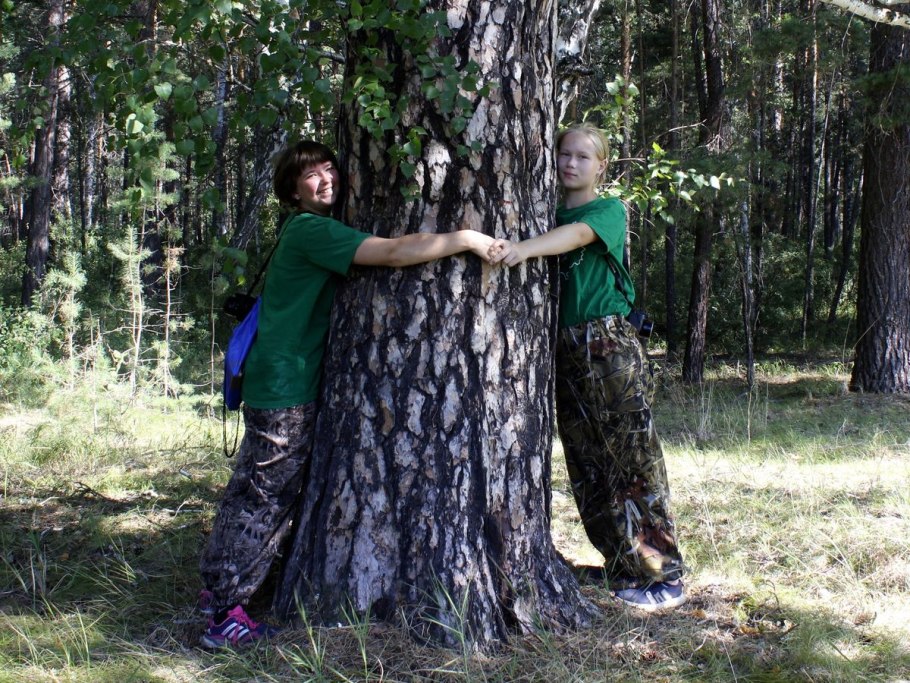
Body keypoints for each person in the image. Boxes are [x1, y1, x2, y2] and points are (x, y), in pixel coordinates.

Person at [198, 140, 495, 648]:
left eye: (329, 168)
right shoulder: (312, 229)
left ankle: (218, 595)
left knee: (257, 490)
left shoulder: (304, 228)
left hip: (280, 378)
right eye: (310, 175)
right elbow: (395, 252)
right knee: (265, 496)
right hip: (285, 385)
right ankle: (224, 613)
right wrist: (465, 238)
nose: (325, 179)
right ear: (293, 190)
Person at [489, 123, 686, 611]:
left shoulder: (608, 210)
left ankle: (662, 574)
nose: (571, 163)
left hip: (607, 346)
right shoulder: (542, 210)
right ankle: (622, 564)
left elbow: (575, 236)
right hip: (562, 350)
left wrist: (523, 248)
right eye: (564, 154)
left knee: (632, 460)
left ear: (601, 166)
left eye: (582, 157)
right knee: (587, 463)